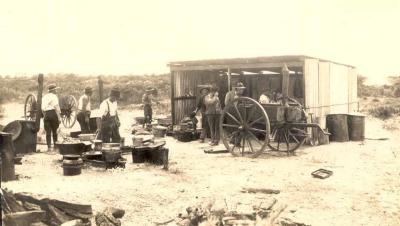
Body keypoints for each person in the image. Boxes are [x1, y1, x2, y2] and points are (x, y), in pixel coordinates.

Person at [41, 84, 61, 151]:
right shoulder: (54, 96)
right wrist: (59, 117)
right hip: (53, 113)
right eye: (55, 89)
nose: (56, 91)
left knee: (48, 132)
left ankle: (49, 147)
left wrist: (45, 116)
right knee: (55, 131)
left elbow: (42, 109)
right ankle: (55, 146)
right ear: (53, 90)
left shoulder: (44, 97)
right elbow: (56, 107)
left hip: (46, 114)